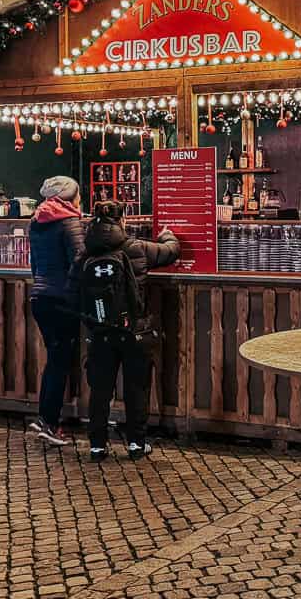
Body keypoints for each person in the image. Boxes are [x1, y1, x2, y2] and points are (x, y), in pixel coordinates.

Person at [79, 200, 179, 459]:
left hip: (99, 330)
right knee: (137, 388)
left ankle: (97, 445)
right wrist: (167, 234)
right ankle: (136, 444)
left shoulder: (85, 252)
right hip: (134, 330)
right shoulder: (136, 248)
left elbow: (73, 288)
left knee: (100, 390)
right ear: (122, 221)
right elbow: (171, 252)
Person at [26, 176, 85, 447]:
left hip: (40, 297)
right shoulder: (69, 221)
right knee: (59, 363)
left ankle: (44, 418)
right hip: (62, 299)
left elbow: (35, 264)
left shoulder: (36, 221)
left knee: (54, 361)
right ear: (70, 197)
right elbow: (80, 261)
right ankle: (50, 423)